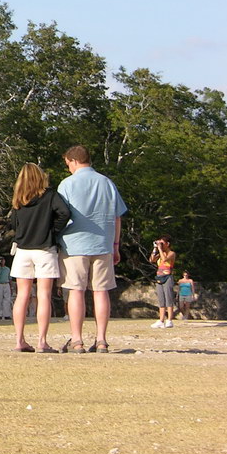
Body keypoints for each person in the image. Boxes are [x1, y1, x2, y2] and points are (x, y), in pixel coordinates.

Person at [57, 144, 128, 354]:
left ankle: (77, 340)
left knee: (76, 291)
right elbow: (117, 217)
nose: (68, 168)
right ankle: (101, 340)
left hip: (75, 243)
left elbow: (61, 214)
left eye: (68, 164)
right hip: (103, 244)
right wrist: (116, 245)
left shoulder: (67, 184)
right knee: (101, 291)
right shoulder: (107, 183)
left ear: (74, 161)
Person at [9, 162, 71, 353]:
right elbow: (65, 213)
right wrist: (53, 231)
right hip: (44, 248)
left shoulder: (18, 201)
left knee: (22, 295)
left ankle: (19, 340)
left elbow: (13, 224)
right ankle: (42, 342)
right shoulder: (50, 196)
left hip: (23, 249)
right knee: (43, 295)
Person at [149, 235, 176, 329]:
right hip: (159, 277)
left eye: (162, 243)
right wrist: (155, 249)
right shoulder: (160, 253)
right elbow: (151, 260)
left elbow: (165, 259)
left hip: (168, 277)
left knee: (169, 298)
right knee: (161, 300)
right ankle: (161, 320)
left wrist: (160, 249)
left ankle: (169, 320)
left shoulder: (171, 253)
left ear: (167, 244)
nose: (161, 245)